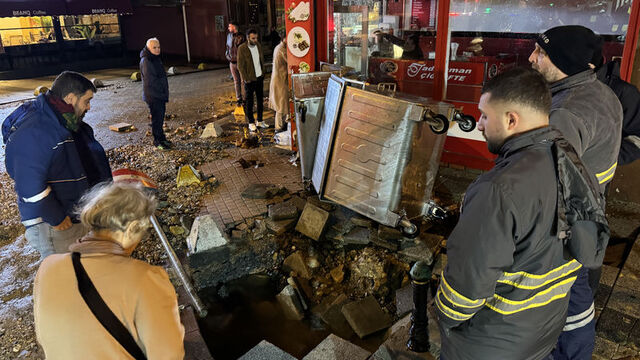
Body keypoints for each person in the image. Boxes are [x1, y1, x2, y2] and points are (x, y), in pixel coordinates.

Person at [435, 67, 599, 360]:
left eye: (485, 115)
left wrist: (443, 320)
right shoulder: (574, 164)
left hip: (488, 345)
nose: (480, 125)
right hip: (542, 334)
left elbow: (462, 296)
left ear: (511, 119)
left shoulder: (497, 190)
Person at [529, 25, 623, 359]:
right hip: (590, 210)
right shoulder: (601, 93)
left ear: (565, 63)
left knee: (567, 293)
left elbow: (546, 184)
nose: (532, 58)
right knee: (579, 289)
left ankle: (567, 353)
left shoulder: (565, 112)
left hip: (566, 222)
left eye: (541, 53)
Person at [33, 182, 185, 359]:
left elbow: (44, 337)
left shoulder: (48, 267)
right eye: (143, 231)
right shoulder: (145, 278)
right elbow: (168, 355)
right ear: (131, 229)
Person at [2, 71, 112, 259]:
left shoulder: (63, 120)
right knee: (64, 273)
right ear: (70, 98)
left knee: (81, 268)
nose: (89, 107)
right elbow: (29, 185)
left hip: (73, 213)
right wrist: (56, 217)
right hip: (56, 225)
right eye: (86, 100)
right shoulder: (37, 129)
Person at [591, 46, 640, 166]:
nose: (535, 58)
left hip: (591, 175)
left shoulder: (623, 92)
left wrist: (601, 160)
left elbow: (638, 138)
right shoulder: (558, 86)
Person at [140, 37, 171, 150]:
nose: (157, 49)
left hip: (159, 95)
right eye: (154, 47)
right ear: (148, 48)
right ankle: (158, 142)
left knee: (160, 118)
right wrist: (161, 92)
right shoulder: (147, 61)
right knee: (157, 120)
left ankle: (162, 138)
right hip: (154, 96)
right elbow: (151, 81)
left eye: (158, 47)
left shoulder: (154, 58)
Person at [238, 28, 268, 132]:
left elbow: (261, 60)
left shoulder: (258, 45)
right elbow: (240, 66)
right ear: (248, 38)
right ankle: (251, 122)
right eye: (253, 38)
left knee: (260, 100)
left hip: (259, 77)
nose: (255, 40)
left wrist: (263, 72)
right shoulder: (242, 48)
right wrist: (245, 78)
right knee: (249, 102)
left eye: (256, 38)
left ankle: (260, 120)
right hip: (249, 79)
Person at [269, 33, 289, 132]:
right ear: (284, 38)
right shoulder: (281, 49)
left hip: (280, 78)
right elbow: (290, 61)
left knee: (283, 102)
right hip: (279, 80)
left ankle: (283, 124)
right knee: (280, 104)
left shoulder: (280, 47)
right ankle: (279, 127)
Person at [226, 21, 244, 106]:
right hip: (231, 62)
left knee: (243, 81)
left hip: (240, 62)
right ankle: (239, 98)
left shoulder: (242, 36)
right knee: (236, 81)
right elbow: (227, 47)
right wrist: (227, 56)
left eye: (229, 26)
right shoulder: (229, 36)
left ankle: (244, 98)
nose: (228, 28)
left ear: (234, 27)